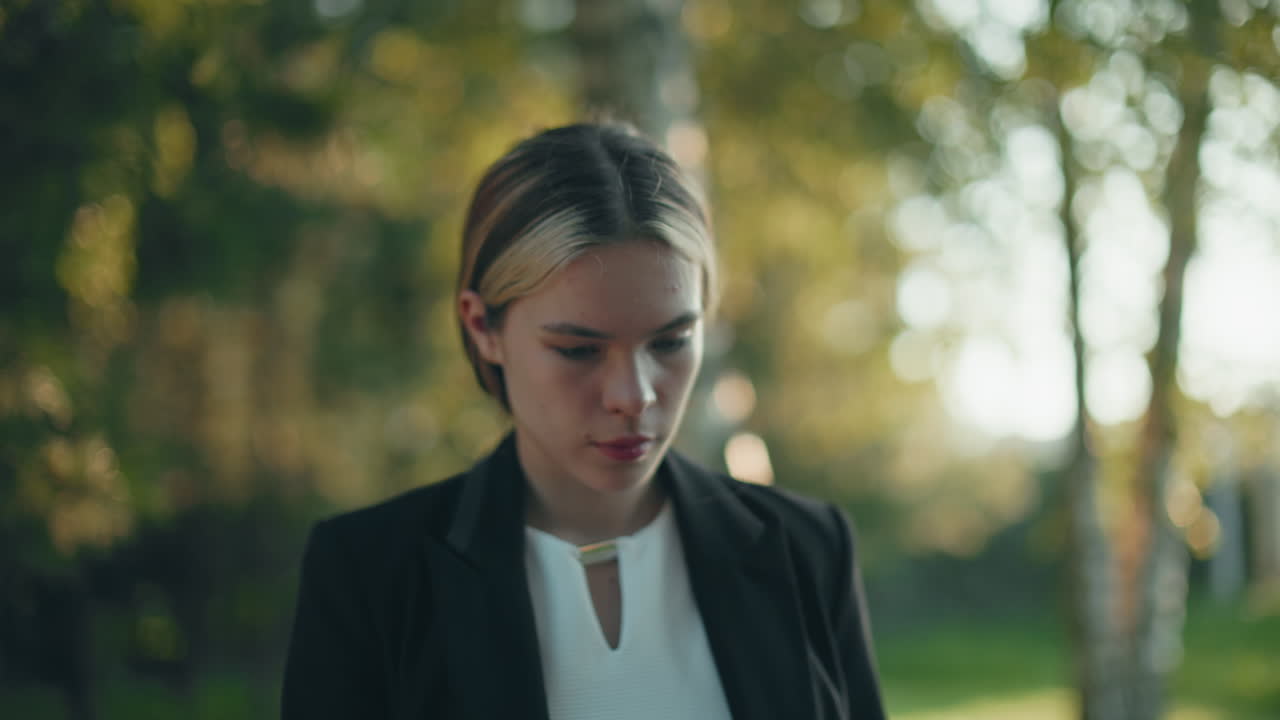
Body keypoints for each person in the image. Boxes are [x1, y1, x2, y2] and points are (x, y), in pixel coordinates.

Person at [281, 122, 886, 720]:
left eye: (672, 340)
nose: (633, 396)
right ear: (481, 328)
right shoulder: (368, 574)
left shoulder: (809, 548)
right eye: (579, 350)